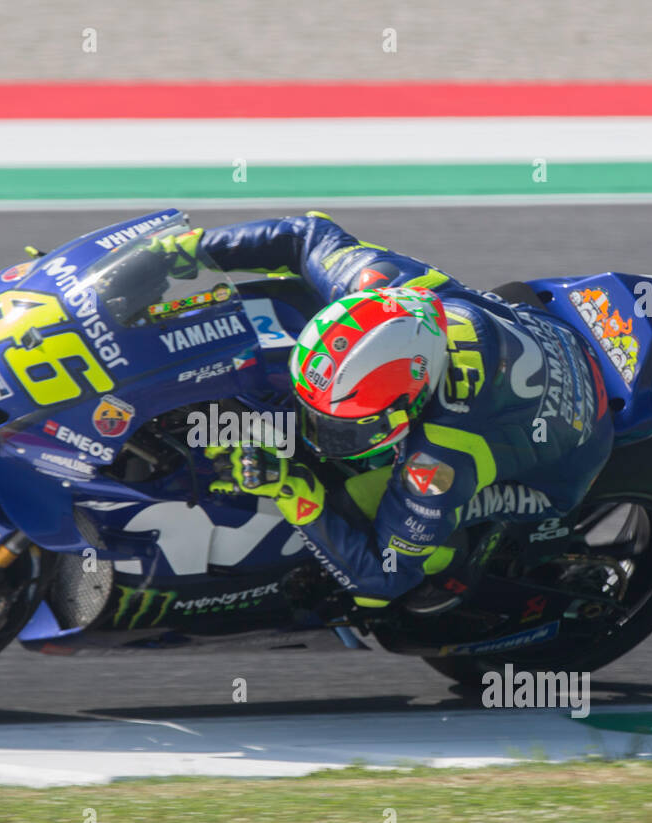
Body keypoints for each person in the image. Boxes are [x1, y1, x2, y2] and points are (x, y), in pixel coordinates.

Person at [156, 212, 615, 614]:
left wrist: (293, 487)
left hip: (558, 467)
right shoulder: (387, 285)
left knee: (360, 510)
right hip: (536, 341)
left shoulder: (439, 461)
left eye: (343, 426)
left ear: (410, 404)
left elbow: (382, 580)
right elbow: (305, 234)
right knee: (291, 301)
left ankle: (455, 575)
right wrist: (188, 251)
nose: (319, 434)